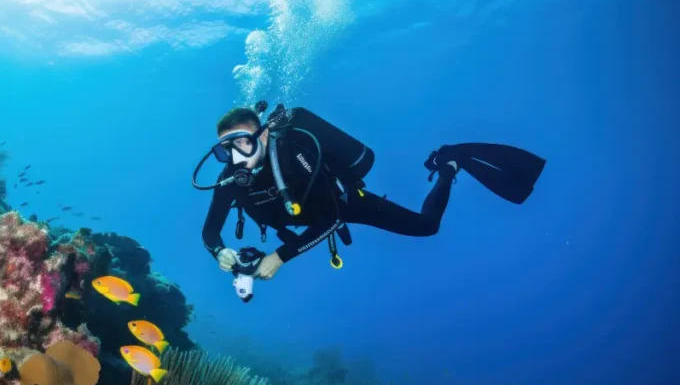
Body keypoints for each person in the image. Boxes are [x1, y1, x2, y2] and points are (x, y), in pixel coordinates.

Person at [198, 104, 546, 280]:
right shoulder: (231, 179)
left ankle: (450, 165)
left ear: (261, 136)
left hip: (344, 205)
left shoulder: (295, 152)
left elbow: (332, 217)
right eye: (225, 150)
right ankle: (451, 165)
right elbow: (210, 230)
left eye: (242, 143)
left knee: (428, 227)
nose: (235, 158)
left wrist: (279, 257)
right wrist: (219, 253)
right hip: (303, 223)